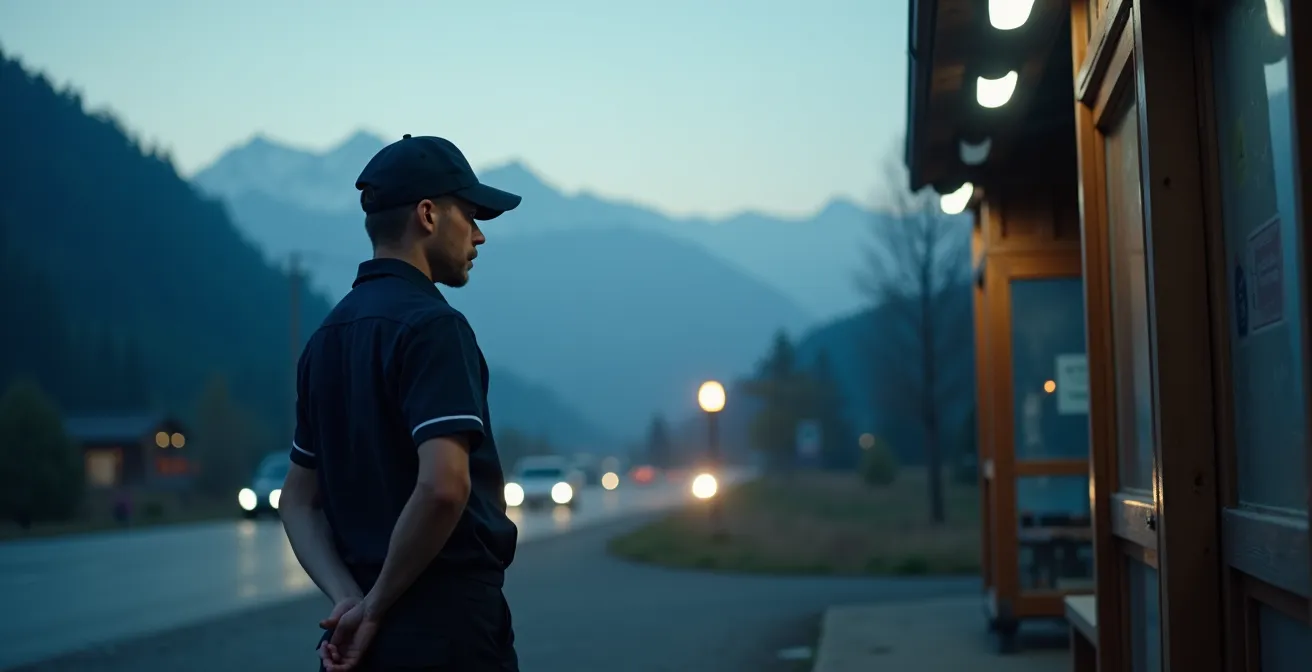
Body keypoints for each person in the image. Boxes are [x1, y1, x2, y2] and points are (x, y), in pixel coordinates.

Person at [277, 134, 523, 671]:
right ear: (429, 214)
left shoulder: (325, 338)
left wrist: (351, 602)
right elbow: (442, 487)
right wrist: (376, 604)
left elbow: (296, 501)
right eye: (472, 214)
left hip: (361, 641)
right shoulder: (434, 328)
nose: (480, 236)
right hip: (446, 631)